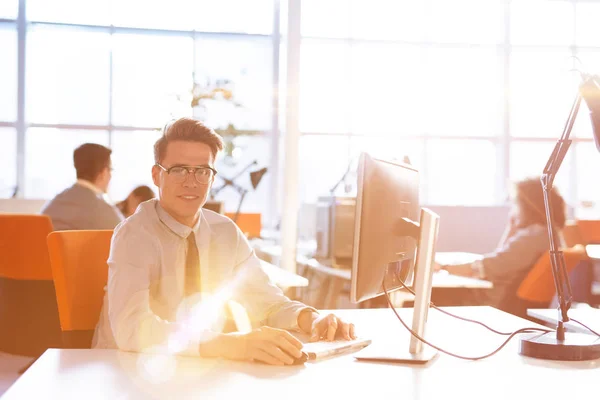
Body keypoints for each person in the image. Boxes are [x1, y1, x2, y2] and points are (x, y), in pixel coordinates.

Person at [92, 118, 355, 365]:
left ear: (212, 177)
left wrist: (311, 319)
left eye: (202, 171)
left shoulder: (225, 232)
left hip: (194, 371)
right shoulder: (134, 235)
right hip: (124, 369)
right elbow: (132, 328)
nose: (191, 182)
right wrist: (232, 345)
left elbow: (267, 301)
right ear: (156, 175)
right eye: (179, 170)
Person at [436, 177, 567, 314]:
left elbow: (485, 268)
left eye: (516, 204)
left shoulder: (531, 239)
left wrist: (442, 267)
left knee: (433, 296)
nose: (513, 210)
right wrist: (510, 229)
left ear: (529, 207)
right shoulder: (549, 235)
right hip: (507, 304)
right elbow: (501, 259)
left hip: (491, 305)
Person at [42, 143, 124, 231]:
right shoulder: (103, 211)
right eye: (110, 170)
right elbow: (124, 236)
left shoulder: (55, 203)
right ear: (103, 173)